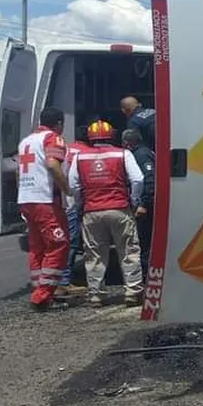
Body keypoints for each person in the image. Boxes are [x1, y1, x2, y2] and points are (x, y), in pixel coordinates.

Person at [68, 120, 146, 307]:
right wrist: (134, 201)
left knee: (94, 254)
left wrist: (81, 205)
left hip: (92, 211)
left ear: (90, 137)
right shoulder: (122, 153)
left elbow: (73, 186)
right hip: (119, 208)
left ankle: (96, 295)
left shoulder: (80, 157)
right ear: (112, 136)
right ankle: (132, 292)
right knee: (129, 251)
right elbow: (138, 179)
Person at [16, 106, 72, 311]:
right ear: (59, 123)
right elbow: (52, 164)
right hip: (45, 200)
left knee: (37, 246)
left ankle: (39, 290)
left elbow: (18, 173)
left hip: (26, 199)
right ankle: (42, 295)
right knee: (58, 244)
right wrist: (67, 189)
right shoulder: (52, 138)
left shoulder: (26, 141)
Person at [56, 123, 95, 299]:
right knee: (72, 242)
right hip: (73, 201)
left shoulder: (66, 148)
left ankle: (56, 279)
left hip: (58, 200)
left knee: (59, 241)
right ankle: (64, 281)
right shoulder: (86, 153)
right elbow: (81, 180)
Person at [121, 127, 155, 269]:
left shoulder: (141, 155)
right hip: (143, 203)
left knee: (143, 240)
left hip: (143, 205)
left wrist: (143, 204)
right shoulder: (143, 152)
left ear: (127, 143)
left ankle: (145, 273)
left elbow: (149, 179)